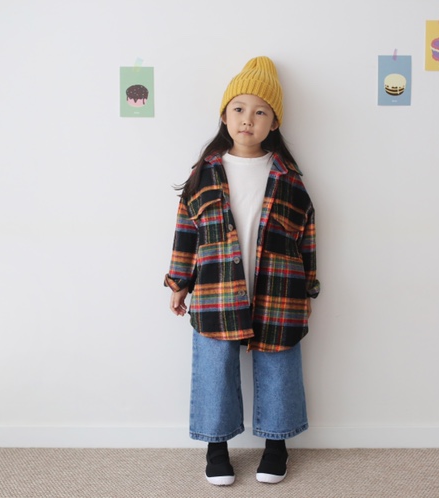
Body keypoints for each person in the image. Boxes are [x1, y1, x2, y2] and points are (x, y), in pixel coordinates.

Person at [164, 56, 319, 486]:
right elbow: (186, 232)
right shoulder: (204, 174)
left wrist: (308, 288)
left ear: (274, 123)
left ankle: (276, 446)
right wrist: (179, 282)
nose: (248, 119)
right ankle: (216, 448)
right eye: (239, 108)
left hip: (279, 291)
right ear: (224, 115)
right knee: (214, 367)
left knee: (279, 366)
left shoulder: (288, 178)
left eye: (260, 112)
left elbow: (306, 236)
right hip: (216, 290)